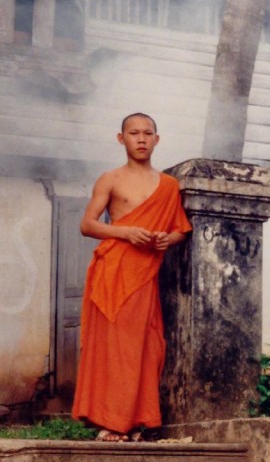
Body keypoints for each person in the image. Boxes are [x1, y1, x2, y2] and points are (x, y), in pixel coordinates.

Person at [71, 112, 191, 442]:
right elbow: (88, 225)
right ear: (120, 138)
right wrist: (125, 233)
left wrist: (169, 239)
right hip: (114, 271)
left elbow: (181, 228)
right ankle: (112, 423)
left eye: (147, 133)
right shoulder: (110, 179)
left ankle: (136, 419)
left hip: (144, 275)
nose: (141, 138)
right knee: (115, 348)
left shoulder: (169, 186)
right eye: (134, 133)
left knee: (146, 347)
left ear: (157, 139)